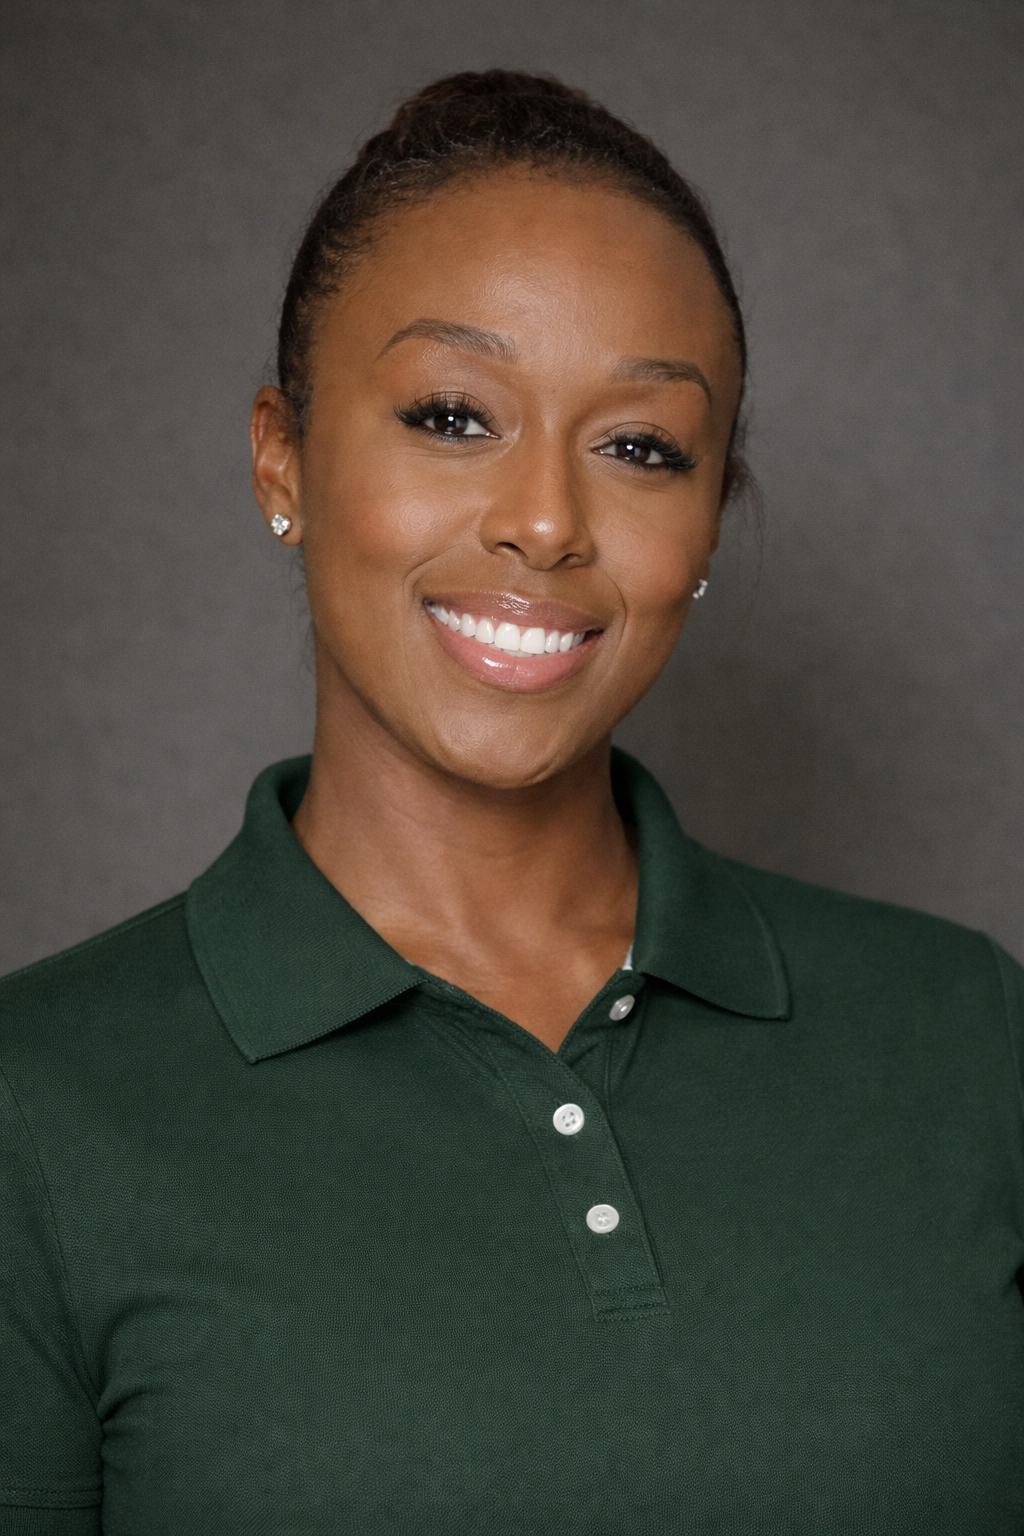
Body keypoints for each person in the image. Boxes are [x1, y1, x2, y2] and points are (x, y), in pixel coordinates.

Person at [1, 69, 1022, 1536]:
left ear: (710, 520)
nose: (545, 519)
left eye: (640, 447)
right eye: (452, 414)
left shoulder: (968, 1037)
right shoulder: (34, 1110)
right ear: (281, 458)